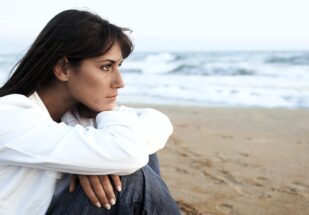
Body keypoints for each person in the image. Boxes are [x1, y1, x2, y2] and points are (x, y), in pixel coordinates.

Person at [0, 9, 180, 215]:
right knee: (131, 176)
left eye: (119, 66)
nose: (120, 82)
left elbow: (158, 121)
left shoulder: (75, 115)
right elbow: (130, 152)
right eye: (106, 67)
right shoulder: (7, 116)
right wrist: (107, 158)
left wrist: (100, 161)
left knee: (130, 144)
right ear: (63, 69)